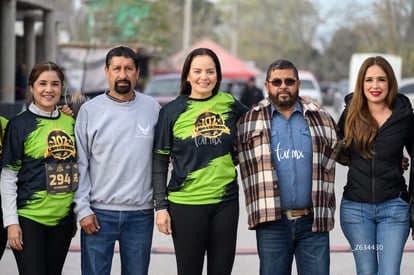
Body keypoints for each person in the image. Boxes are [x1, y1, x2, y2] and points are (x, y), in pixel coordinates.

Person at [235, 59, 339, 275]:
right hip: (272, 224)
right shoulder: (247, 122)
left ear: (298, 84)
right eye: (277, 81)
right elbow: (225, 158)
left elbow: (347, 154)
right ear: (267, 86)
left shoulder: (323, 119)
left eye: (289, 81)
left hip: (313, 223)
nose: (283, 86)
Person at [152, 47, 248, 275]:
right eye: (197, 71)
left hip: (226, 203)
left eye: (210, 71)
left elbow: (260, 120)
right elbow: (159, 162)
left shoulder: (230, 104)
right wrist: (161, 207)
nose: (204, 77)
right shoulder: (172, 111)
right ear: (187, 75)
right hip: (186, 205)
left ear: (218, 75)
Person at [73, 46, 160, 275]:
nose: (123, 74)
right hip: (98, 214)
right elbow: (80, 164)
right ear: (107, 71)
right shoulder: (89, 111)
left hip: (140, 215)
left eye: (129, 68)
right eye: (117, 68)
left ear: (137, 72)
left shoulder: (152, 108)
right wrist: (83, 210)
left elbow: (161, 160)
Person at [337, 56, 414, 274]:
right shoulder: (351, 113)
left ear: (390, 82)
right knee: (367, 272)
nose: (375, 85)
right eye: (369, 79)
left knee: (389, 272)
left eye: (381, 79)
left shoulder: (404, 114)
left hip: (394, 210)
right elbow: (338, 152)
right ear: (361, 83)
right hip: (355, 212)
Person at [0, 61, 77, 274]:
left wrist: (76, 214)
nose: (49, 89)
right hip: (29, 219)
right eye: (42, 83)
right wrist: (11, 223)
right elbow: (8, 176)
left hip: (63, 220)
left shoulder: (71, 122)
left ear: (62, 88)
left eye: (55, 84)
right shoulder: (18, 125)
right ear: (32, 87)